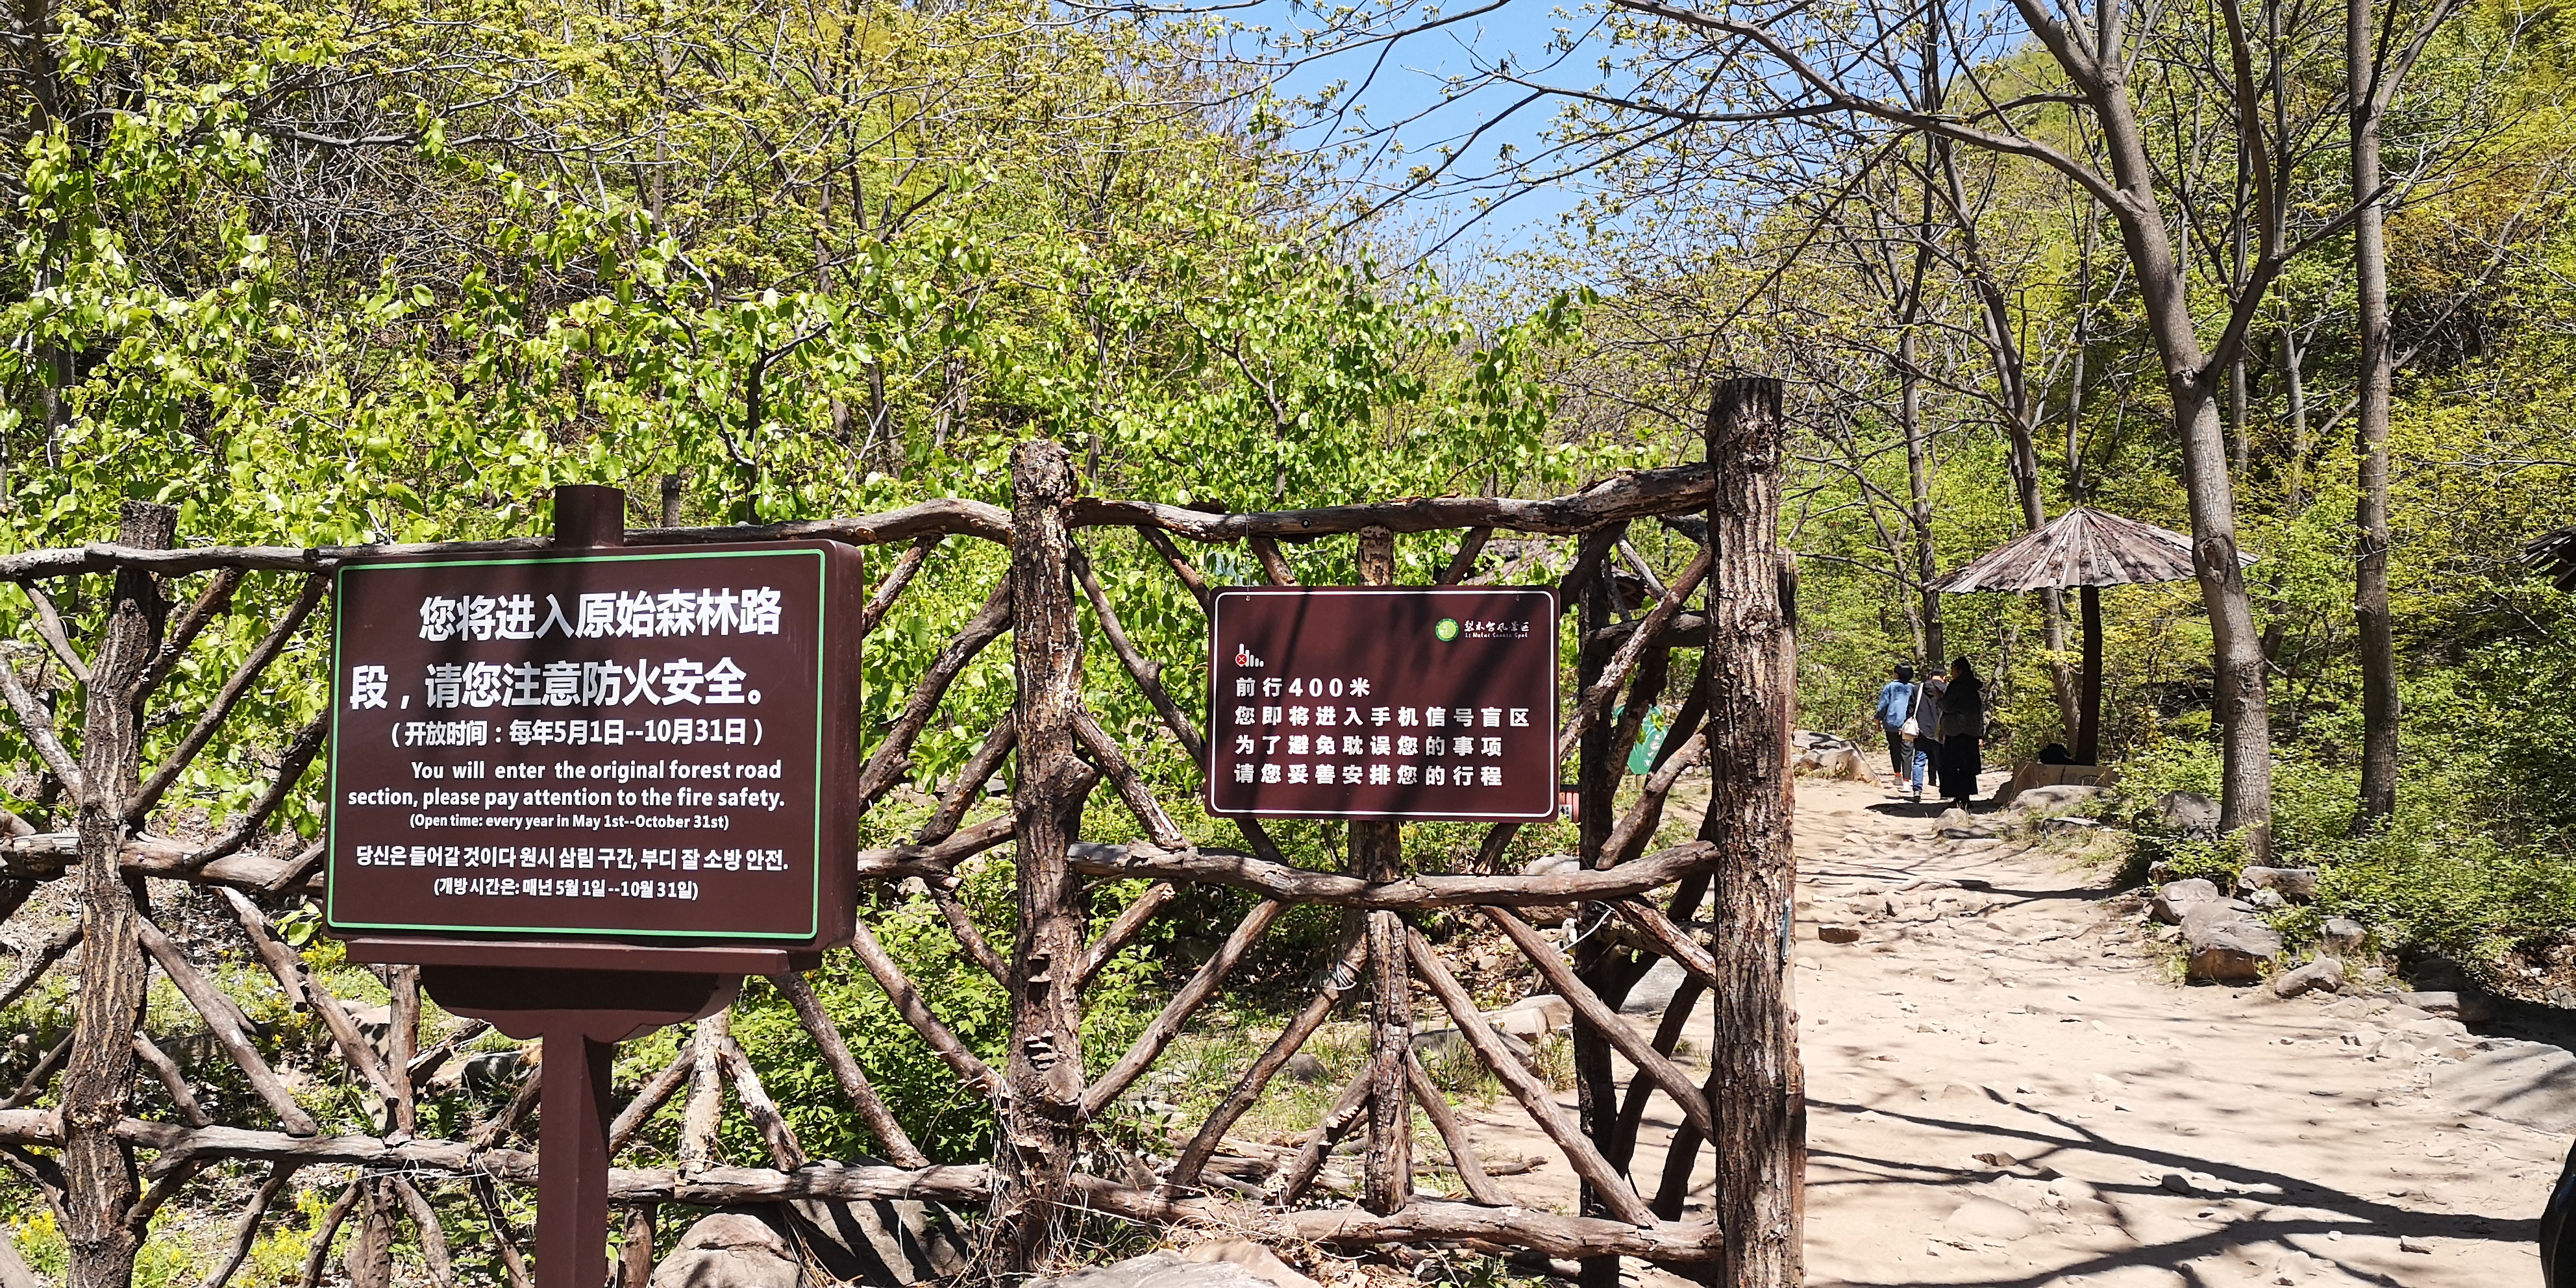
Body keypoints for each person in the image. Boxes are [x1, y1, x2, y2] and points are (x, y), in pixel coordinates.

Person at [1937, 656, 1986, 804]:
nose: (1952, 673)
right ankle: (1966, 797)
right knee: (1968, 766)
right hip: (1971, 731)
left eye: (1953, 670)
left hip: (1956, 731)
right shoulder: (1973, 687)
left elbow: (1949, 706)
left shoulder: (1956, 686)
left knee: (1955, 765)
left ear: (1959, 670)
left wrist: (1939, 699)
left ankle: (1959, 797)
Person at [1871, 663, 1921, 797]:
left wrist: (1878, 719)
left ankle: (1898, 776)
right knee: (1907, 752)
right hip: (1908, 724)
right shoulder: (1914, 688)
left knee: (1894, 749)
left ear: (1897, 674)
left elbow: (1883, 705)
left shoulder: (1890, 687)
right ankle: (1907, 781)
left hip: (1892, 722)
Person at [1914, 667, 1947, 803]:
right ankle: (1944, 792)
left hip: (1921, 729)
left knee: (1919, 761)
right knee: (1942, 762)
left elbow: (1911, 708)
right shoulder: (1947, 690)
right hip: (1940, 730)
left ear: (1930, 675)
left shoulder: (1918, 689)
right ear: (1944, 677)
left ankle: (1917, 790)